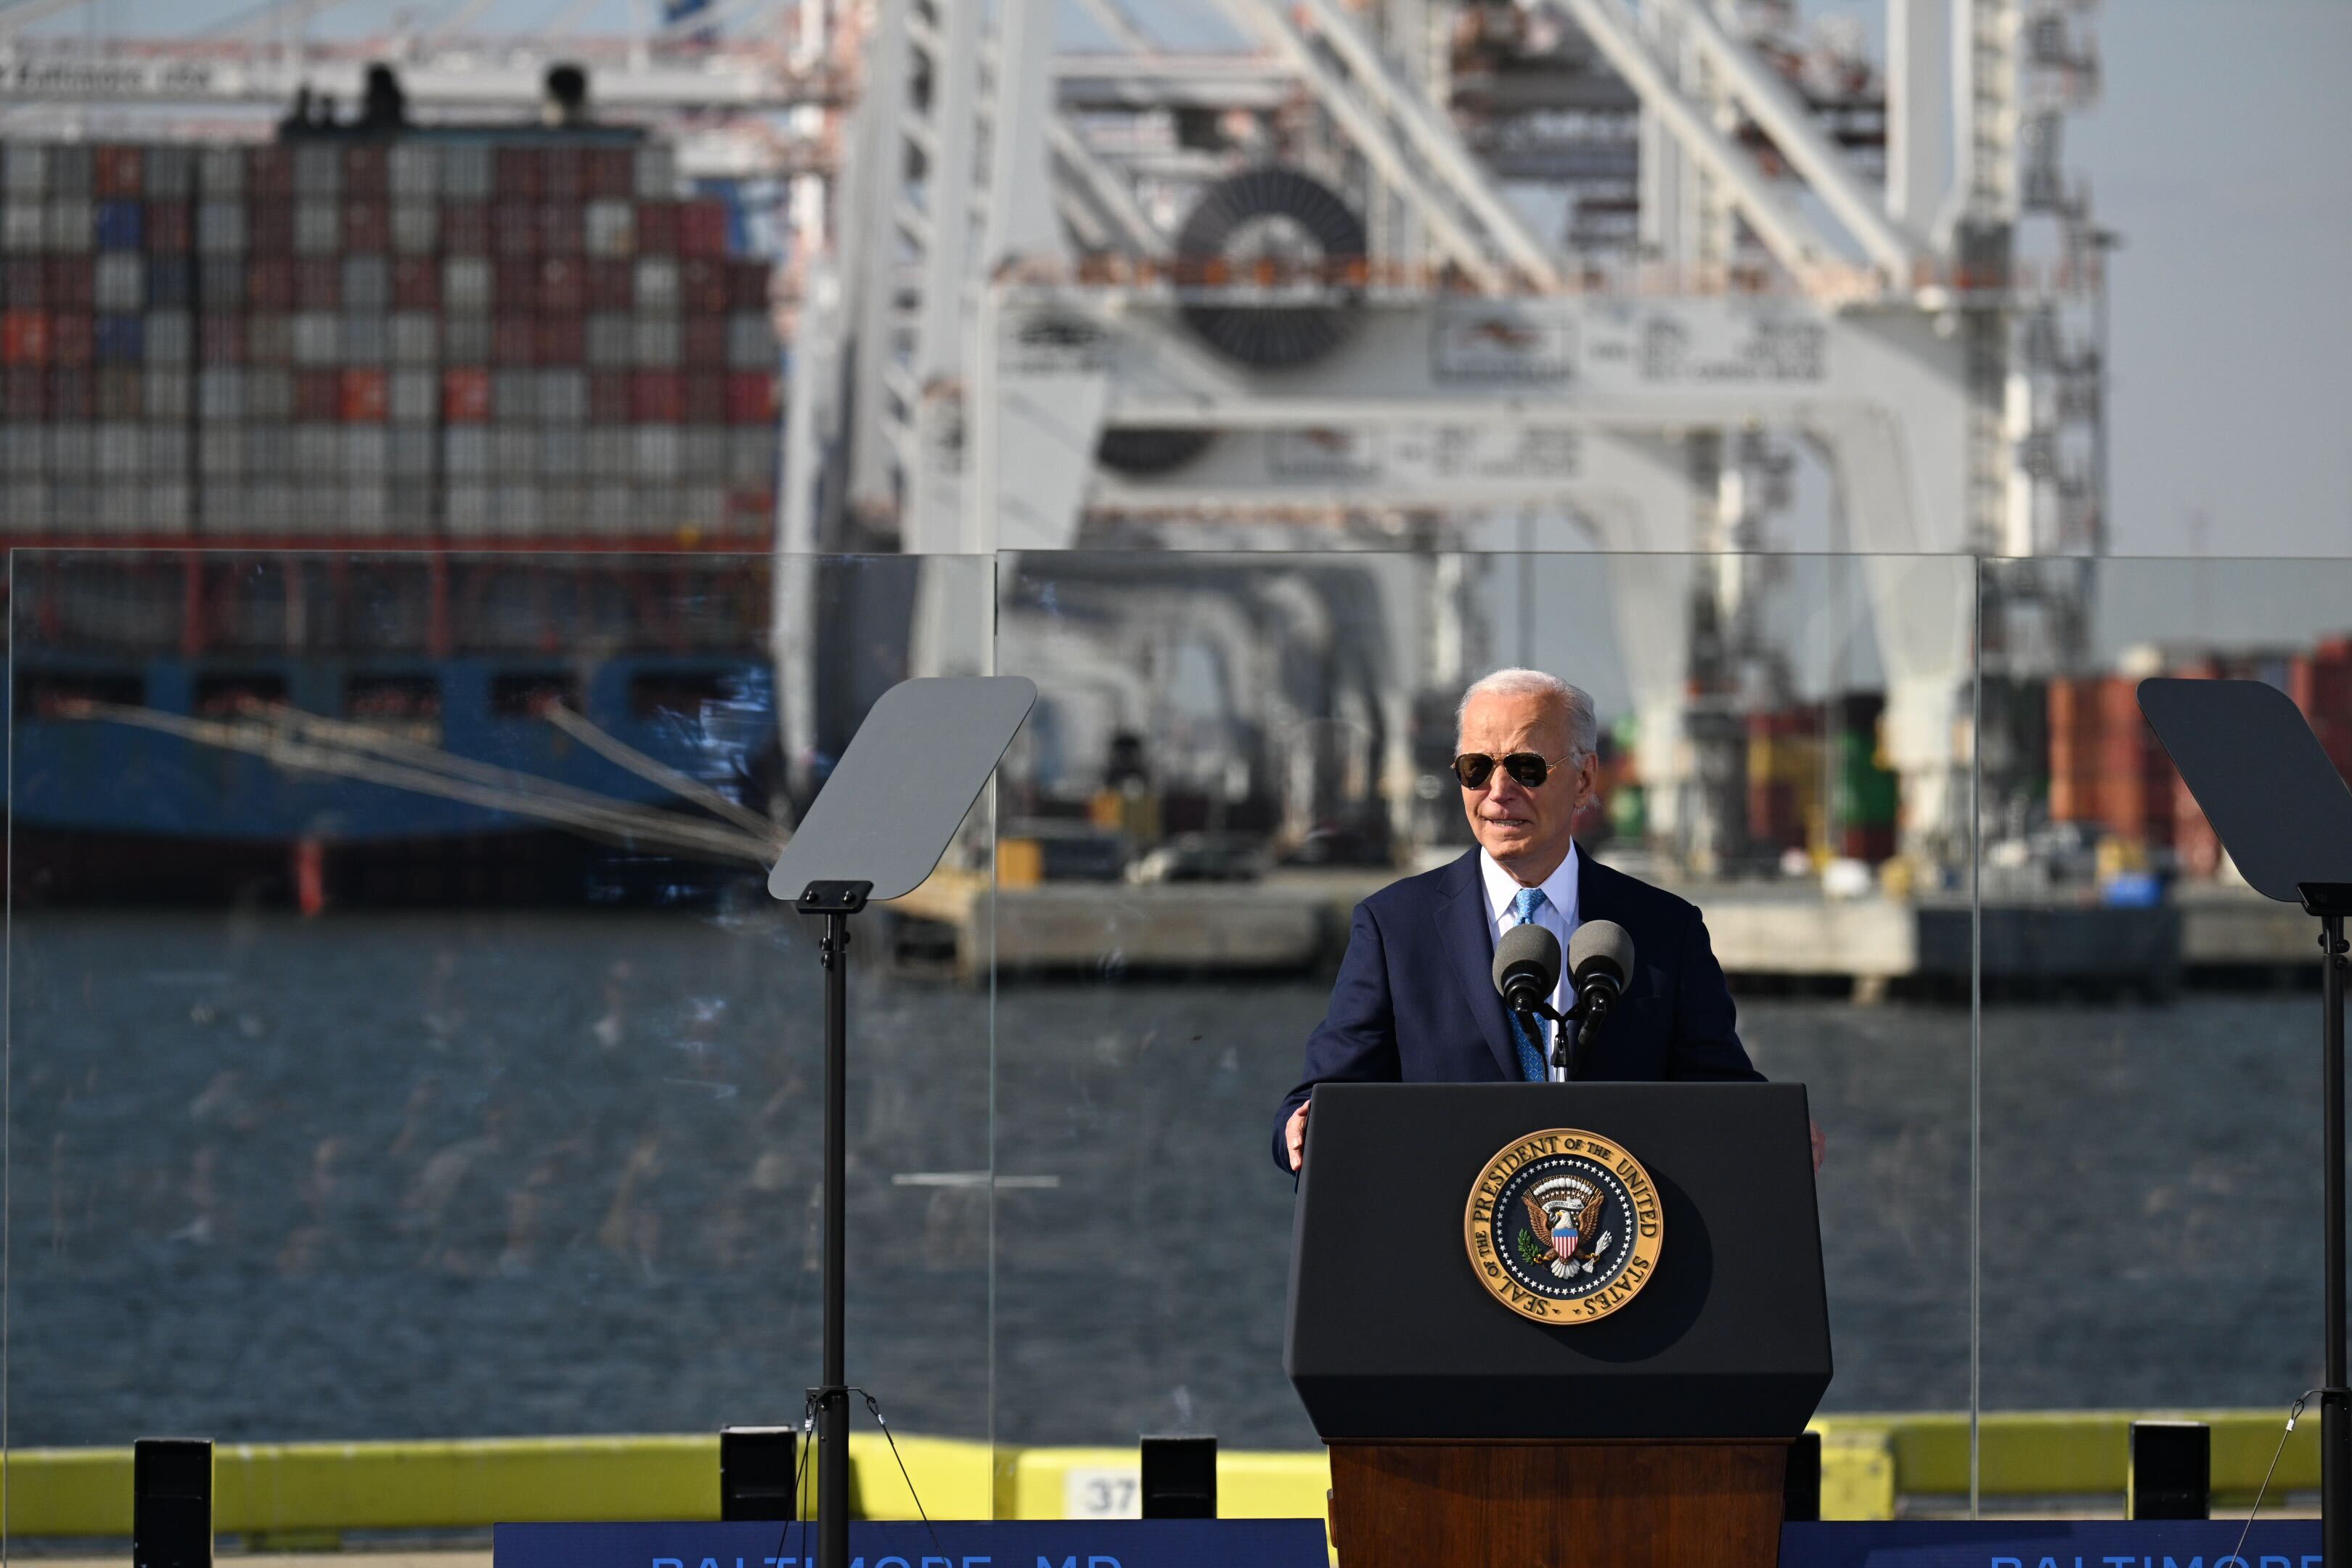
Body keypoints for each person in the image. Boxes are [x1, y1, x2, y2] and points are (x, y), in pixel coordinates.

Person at [1273, 666, 1816, 1175]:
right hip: (1445, 1247)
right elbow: (1323, 1097)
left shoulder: (1665, 929)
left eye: (1526, 767)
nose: (1498, 791)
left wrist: (1773, 1132)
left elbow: (1721, 1091)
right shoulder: (1393, 928)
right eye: (1476, 768)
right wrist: (1300, 1127)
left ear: (1584, 780)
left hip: (1618, 1255)